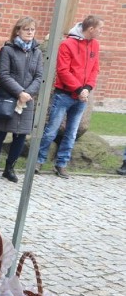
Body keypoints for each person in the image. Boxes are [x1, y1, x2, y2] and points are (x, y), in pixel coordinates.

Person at [36, 15, 104, 179]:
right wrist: (79, 89)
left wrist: (87, 88)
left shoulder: (95, 45)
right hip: (65, 94)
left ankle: (61, 164)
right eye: (100, 28)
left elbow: (95, 69)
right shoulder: (67, 44)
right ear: (91, 29)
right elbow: (63, 70)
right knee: (51, 129)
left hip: (82, 96)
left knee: (72, 132)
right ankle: (38, 160)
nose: (101, 32)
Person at [0, 17, 44, 182]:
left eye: (32, 29)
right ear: (18, 31)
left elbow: (39, 76)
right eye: (26, 29)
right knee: (1, 132)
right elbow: (3, 75)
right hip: (9, 98)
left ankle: (9, 168)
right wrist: (19, 92)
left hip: (27, 100)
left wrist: (27, 93)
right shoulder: (8, 50)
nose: (30, 32)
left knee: (21, 134)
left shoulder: (37, 52)